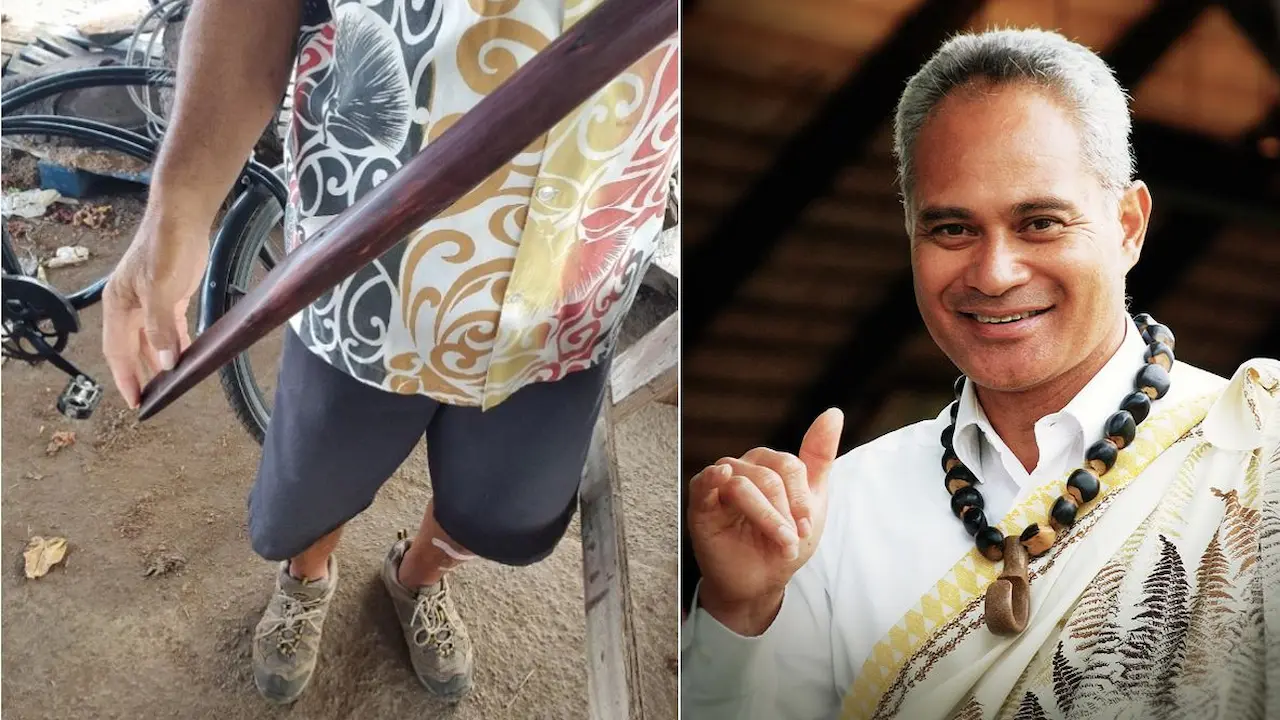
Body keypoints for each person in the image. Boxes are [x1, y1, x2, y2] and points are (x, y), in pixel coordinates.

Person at [681, 27, 1280, 720]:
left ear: (1128, 227)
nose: (994, 274)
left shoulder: (1258, 456)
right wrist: (741, 613)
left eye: (1040, 223)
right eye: (952, 230)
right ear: (910, 234)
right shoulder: (834, 514)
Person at [100, 0, 678, 705]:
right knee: (311, 488)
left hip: (576, 285)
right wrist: (179, 205)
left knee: (497, 507)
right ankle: (307, 576)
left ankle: (417, 577)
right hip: (361, 270)